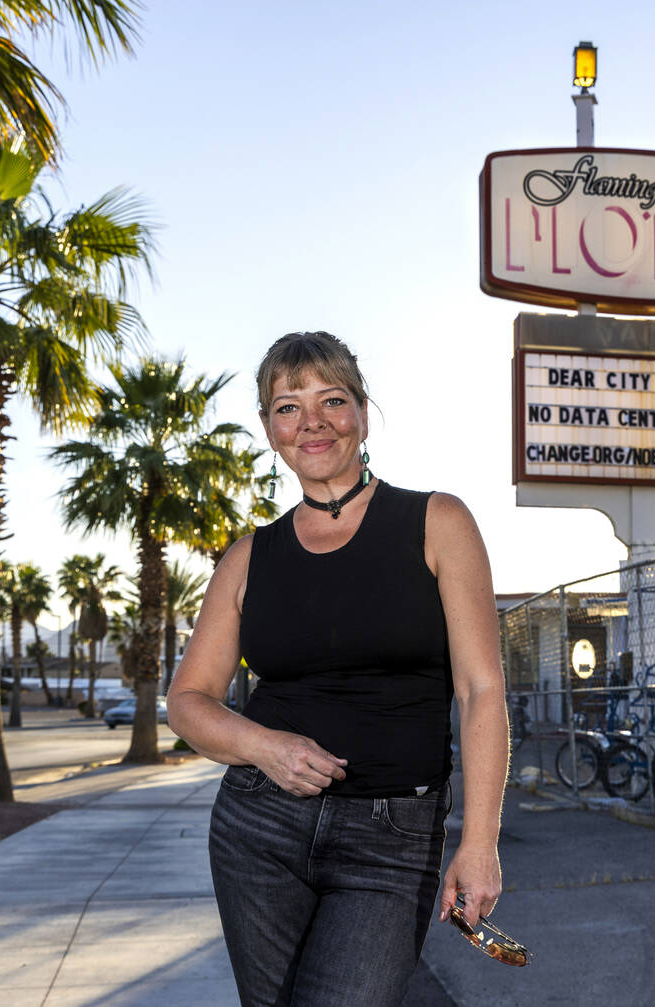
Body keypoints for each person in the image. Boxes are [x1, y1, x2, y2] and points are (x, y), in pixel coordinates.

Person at [167, 331, 509, 1006]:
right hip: (259, 827)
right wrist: (265, 746)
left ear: (362, 412)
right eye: (288, 407)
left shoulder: (437, 522)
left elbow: (481, 690)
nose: (312, 421)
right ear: (269, 429)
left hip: (392, 838)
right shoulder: (248, 557)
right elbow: (188, 700)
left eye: (331, 400)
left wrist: (480, 841)